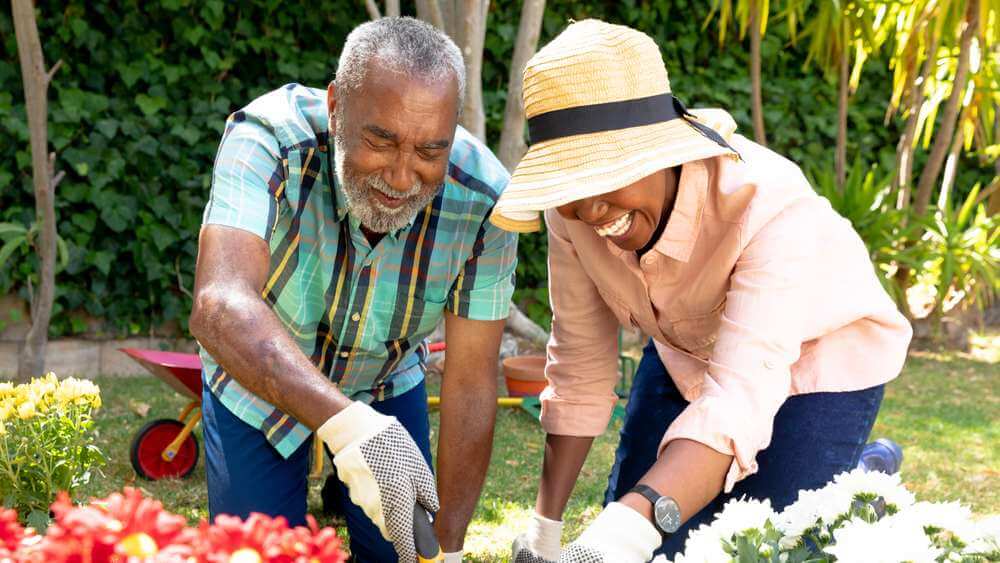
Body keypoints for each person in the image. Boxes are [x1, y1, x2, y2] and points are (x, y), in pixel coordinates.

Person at [491, 20, 912, 562]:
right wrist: (544, 534)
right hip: (688, 354)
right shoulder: (569, 214)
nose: (590, 211)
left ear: (661, 152)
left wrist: (625, 532)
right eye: (571, 186)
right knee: (652, 546)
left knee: (764, 546)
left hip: (820, 359)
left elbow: (737, 399)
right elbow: (579, 366)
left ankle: (857, 478)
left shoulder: (769, 206)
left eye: (606, 176)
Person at [189, 17, 517, 563]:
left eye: (430, 151)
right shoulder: (267, 139)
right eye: (381, 140)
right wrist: (345, 424)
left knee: (409, 553)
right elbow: (219, 304)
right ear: (338, 105)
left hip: (385, 380)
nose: (403, 176)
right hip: (259, 378)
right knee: (260, 554)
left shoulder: (486, 200)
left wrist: (450, 549)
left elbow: (471, 378)